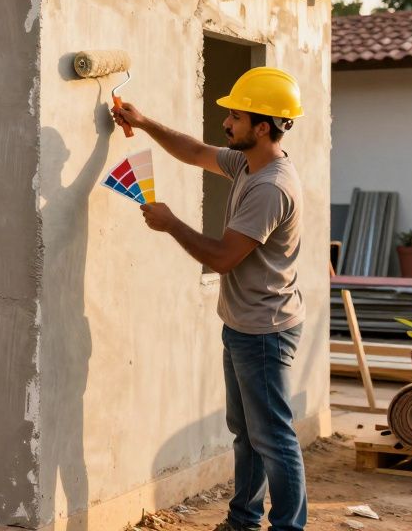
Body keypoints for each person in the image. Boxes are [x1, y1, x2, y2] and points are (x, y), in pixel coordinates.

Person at [111, 67, 307, 531]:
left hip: (264, 330)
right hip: (244, 324)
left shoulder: (270, 186)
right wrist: (145, 122)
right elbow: (196, 152)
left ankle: (288, 527)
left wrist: (170, 222)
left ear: (263, 127)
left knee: (273, 438)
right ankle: (242, 521)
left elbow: (223, 258)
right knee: (247, 435)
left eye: (235, 117)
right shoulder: (249, 162)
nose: (226, 124)